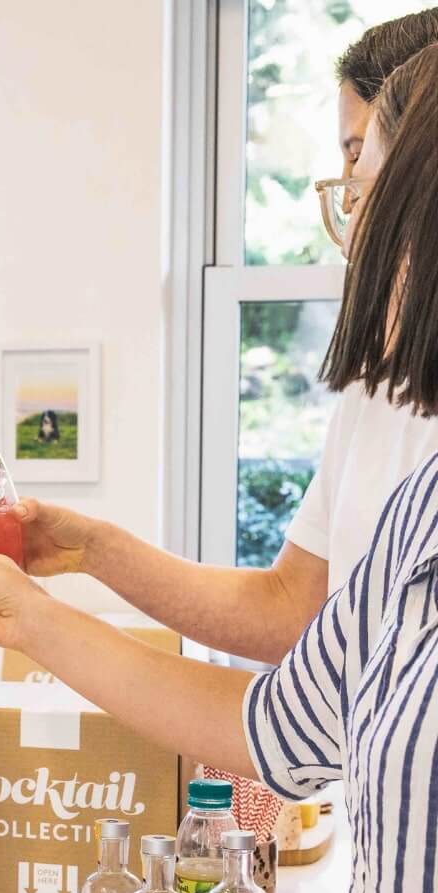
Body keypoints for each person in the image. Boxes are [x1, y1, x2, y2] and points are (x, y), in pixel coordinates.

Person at [0, 42, 438, 893]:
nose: (353, 239)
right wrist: (40, 608)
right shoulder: (415, 507)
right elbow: (276, 723)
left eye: (367, 192)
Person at [64, 8, 438, 668]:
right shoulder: (376, 389)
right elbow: (295, 609)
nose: (350, 206)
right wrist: (90, 549)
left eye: (360, 159)